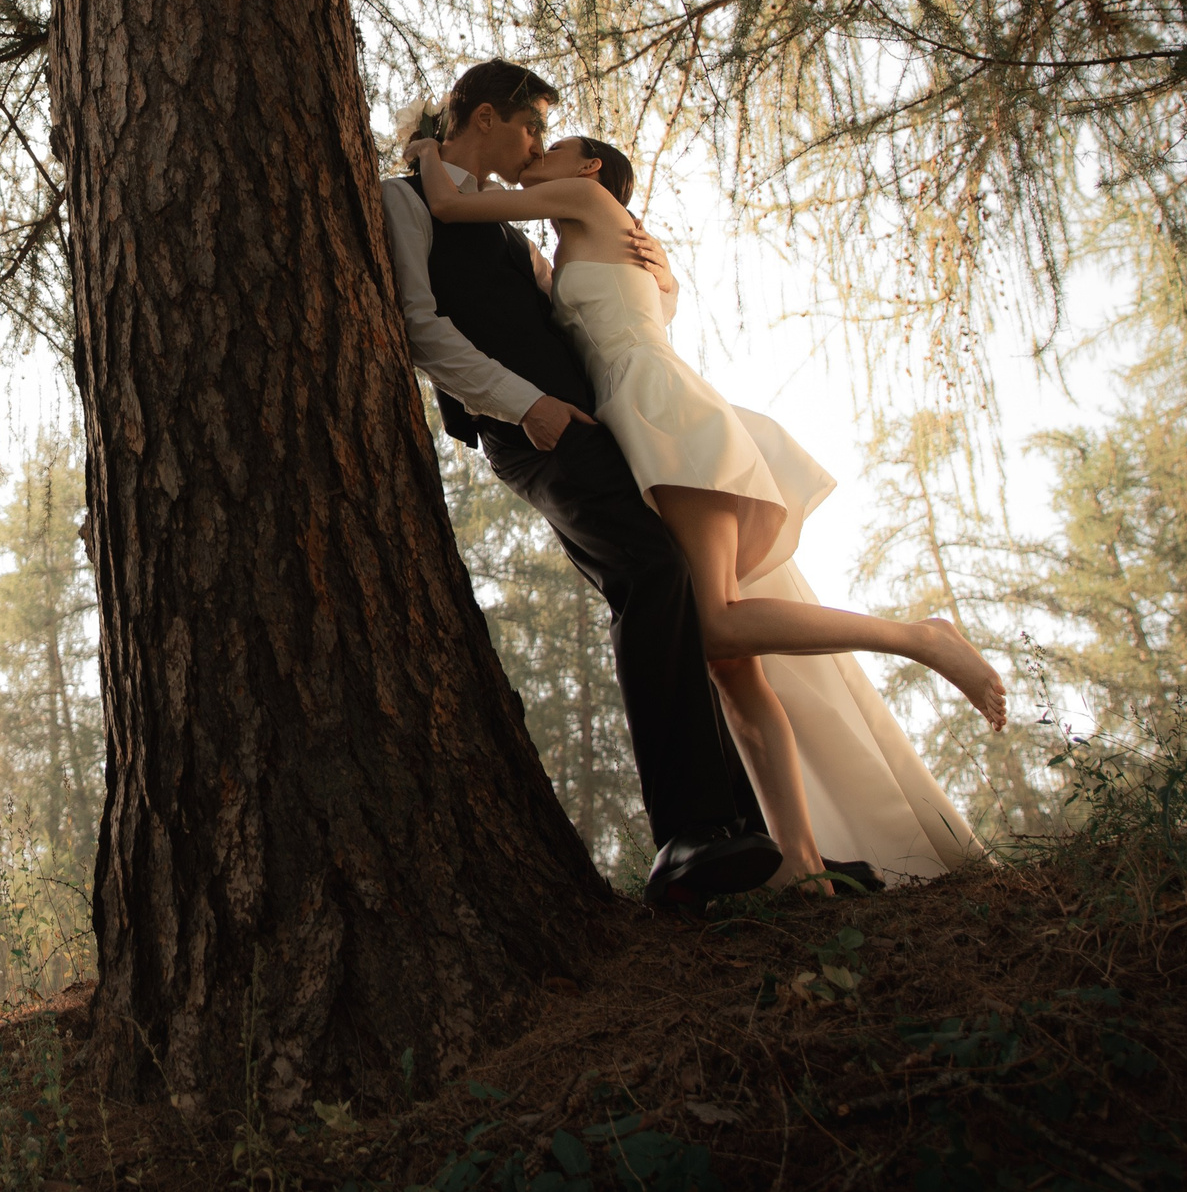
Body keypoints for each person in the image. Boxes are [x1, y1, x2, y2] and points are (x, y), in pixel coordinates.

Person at [403, 123, 996, 891]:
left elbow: (450, 205)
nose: (534, 157)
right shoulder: (574, 243)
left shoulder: (582, 196)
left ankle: (920, 637)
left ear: (588, 167)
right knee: (730, 665)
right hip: (636, 417)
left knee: (712, 620)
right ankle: (803, 865)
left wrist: (420, 152)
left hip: (662, 411)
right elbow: (622, 304)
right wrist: (667, 279)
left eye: (549, 148)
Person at [380, 60, 782, 906]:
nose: (533, 149)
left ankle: (735, 833)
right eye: (531, 129)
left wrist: (660, 271)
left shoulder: (517, 235)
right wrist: (529, 408)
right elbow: (422, 329)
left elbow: (590, 317)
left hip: (597, 428)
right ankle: (687, 836)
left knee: (665, 585)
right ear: (487, 117)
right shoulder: (404, 198)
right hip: (537, 432)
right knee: (653, 576)